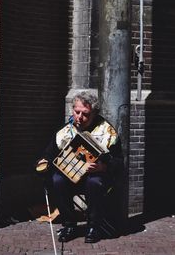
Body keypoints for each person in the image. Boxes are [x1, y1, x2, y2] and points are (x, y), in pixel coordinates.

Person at [37, 91, 122, 243]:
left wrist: (103, 167)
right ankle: (69, 225)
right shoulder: (64, 132)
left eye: (85, 114)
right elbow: (48, 155)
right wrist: (43, 163)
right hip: (71, 176)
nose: (79, 117)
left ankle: (93, 226)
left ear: (94, 114)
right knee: (57, 180)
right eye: (77, 112)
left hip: (96, 177)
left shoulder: (108, 132)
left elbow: (119, 162)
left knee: (94, 182)